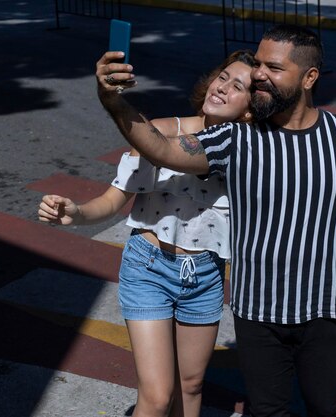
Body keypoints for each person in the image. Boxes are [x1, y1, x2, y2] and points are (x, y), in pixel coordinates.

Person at [95, 24, 336, 417]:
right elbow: (165, 150)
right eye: (259, 63)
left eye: (273, 67)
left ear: (308, 78)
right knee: (268, 411)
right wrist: (113, 102)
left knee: (326, 408)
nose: (260, 73)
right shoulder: (237, 138)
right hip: (260, 312)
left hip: (327, 309)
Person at [38, 50, 256, 417]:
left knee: (190, 387)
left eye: (238, 87)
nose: (223, 88)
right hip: (149, 268)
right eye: (222, 77)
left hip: (205, 277)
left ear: (251, 109)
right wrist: (75, 213)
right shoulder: (162, 132)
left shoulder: (246, 151)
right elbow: (111, 201)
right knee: (156, 396)